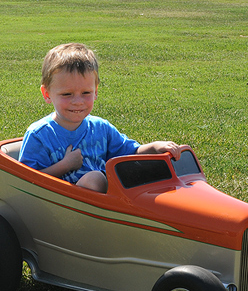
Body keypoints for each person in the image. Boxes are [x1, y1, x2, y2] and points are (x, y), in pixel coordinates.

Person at [18, 43, 183, 193]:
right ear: (47, 94)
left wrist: (154, 147)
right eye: (67, 94)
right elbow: (25, 181)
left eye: (86, 93)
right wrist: (65, 165)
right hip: (60, 206)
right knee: (94, 178)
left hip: (108, 202)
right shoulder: (39, 135)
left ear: (96, 91)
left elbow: (129, 153)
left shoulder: (101, 128)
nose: (77, 102)